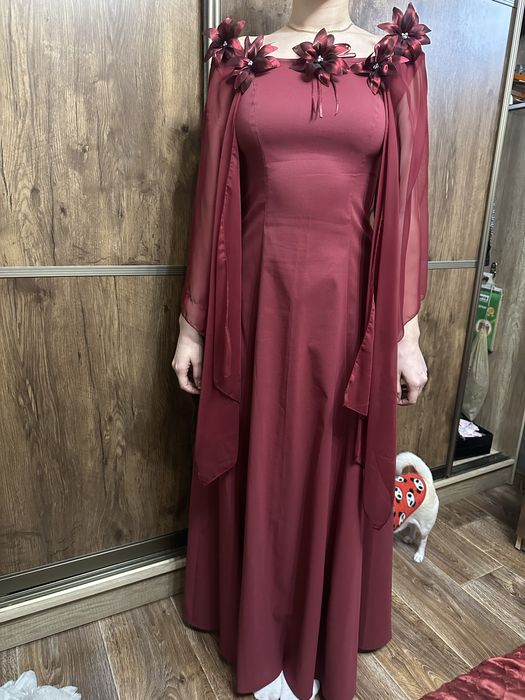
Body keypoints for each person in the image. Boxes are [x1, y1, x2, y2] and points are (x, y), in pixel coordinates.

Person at [172, 2, 431, 698]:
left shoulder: (395, 60)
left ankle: (324, 624)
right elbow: (210, 199)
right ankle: (253, 622)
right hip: (253, 299)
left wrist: (405, 335)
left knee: (330, 453)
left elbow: (407, 202)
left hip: (349, 306)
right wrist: (193, 327)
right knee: (260, 448)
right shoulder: (238, 60)